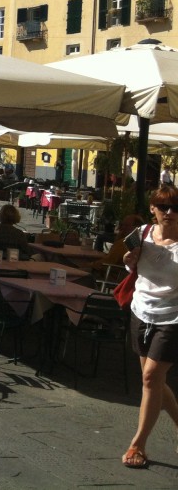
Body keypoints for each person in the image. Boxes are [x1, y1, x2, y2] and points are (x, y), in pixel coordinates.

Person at [121, 185, 178, 468]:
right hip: (141, 312)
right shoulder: (141, 234)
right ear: (153, 210)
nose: (170, 213)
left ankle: (138, 444)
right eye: (164, 207)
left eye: (176, 208)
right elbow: (129, 265)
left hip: (174, 319)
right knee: (153, 380)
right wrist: (127, 261)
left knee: (150, 378)